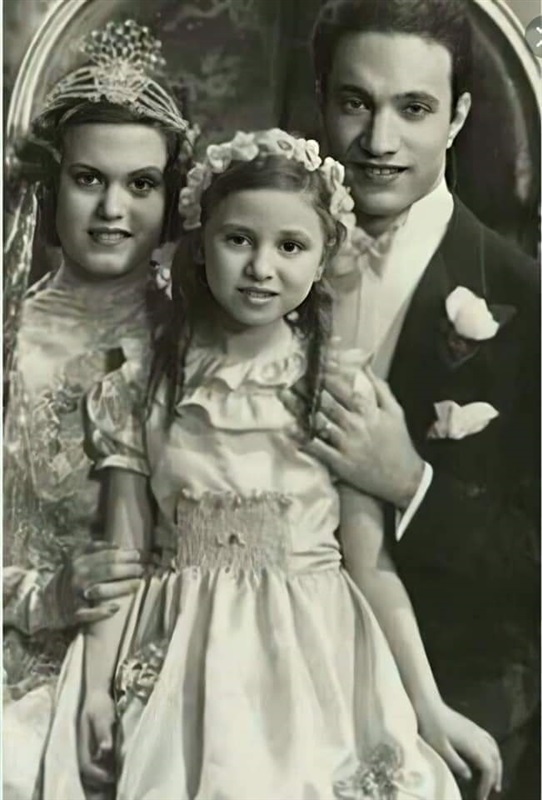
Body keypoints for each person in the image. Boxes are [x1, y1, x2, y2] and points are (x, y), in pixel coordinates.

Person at [37, 127, 503, 800]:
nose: (261, 266)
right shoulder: (142, 387)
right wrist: (94, 692)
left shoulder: (338, 388)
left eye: (290, 246)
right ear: (201, 244)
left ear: (322, 258)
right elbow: (122, 555)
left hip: (313, 664)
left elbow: (372, 566)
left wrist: (428, 706)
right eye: (239, 240)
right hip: (181, 663)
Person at [287, 2, 540, 798]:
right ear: (321, 100)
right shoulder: (253, 259)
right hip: (264, 655)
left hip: (453, 678)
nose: (379, 140)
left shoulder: (526, 300)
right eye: (355, 103)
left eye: (414, 109)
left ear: (458, 116)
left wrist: (411, 483)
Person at [3, 19, 195, 800]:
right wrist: (45, 596)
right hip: (24, 660)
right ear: (52, 186)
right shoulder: (9, 335)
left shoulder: (201, 344)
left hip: (175, 652)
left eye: (141, 184)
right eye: (90, 179)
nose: (114, 208)